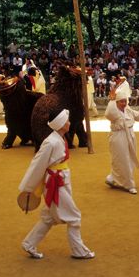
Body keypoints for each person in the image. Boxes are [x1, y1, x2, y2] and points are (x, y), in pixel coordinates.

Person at [20, 109, 95, 260]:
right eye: (66, 121)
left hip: (61, 181)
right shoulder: (51, 142)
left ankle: (29, 243)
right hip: (56, 184)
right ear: (61, 125)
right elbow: (37, 164)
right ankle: (78, 250)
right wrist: (27, 189)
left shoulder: (59, 138)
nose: (69, 123)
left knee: (49, 218)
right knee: (74, 217)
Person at [104, 88, 139, 194]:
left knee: (129, 159)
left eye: (125, 101)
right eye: (121, 101)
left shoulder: (128, 110)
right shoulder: (113, 111)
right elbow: (109, 113)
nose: (123, 103)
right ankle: (129, 185)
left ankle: (113, 178)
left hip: (130, 136)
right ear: (116, 102)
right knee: (121, 160)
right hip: (118, 137)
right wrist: (111, 100)